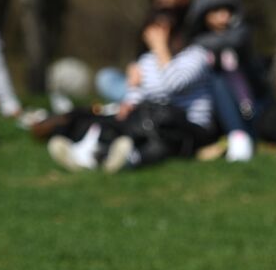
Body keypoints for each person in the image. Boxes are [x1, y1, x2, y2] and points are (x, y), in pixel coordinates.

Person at [47, 9, 216, 172]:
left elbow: (174, 83)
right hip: (151, 120)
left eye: (165, 32)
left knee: (161, 127)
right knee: (107, 119)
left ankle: (129, 160)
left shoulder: (196, 55)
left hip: (188, 126)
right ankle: (83, 155)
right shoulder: (147, 60)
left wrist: (161, 49)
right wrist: (129, 102)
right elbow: (137, 95)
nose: (161, 38)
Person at [187, 0, 272, 163]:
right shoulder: (197, 47)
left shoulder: (241, 34)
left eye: (227, 10)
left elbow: (235, 41)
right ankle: (237, 136)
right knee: (216, 79)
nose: (224, 16)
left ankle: (242, 136)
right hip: (219, 113)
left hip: (254, 101)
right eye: (216, 11)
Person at [97, 0, 193, 104]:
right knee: (106, 77)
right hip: (144, 80)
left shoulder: (190, 36)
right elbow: (140, 55)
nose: (162, 1)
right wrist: (134, 67)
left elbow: (174, 83)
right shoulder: (151, 20)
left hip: (165, 88)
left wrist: (160, 46)